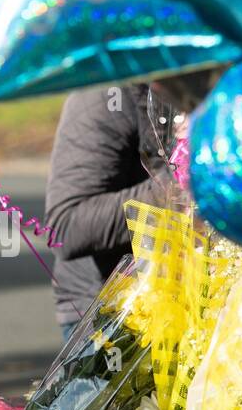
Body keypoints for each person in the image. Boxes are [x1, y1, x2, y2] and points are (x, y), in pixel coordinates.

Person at [44, 84, 169, 340]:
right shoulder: (108, 91)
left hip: (217, 303)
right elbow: (66, 226)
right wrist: (179, 190)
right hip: (115, 314)